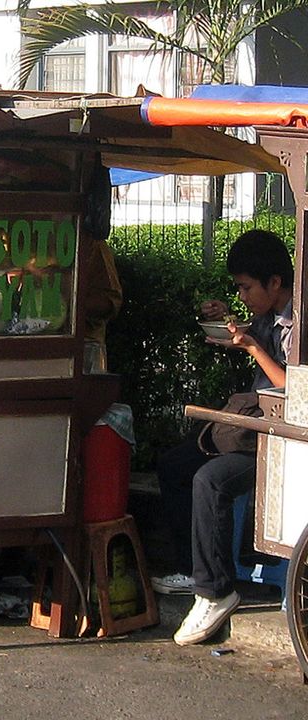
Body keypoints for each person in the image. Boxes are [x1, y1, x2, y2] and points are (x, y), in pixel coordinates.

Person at [152, 229, 294, 645]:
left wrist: (252, 348)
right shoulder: (270, 315)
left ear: (274, 282)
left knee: (210, 480)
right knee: (175, 465)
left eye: (247, 287)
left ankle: (216, 592)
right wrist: (228, 327)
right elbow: (254, 333)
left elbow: (291, 384)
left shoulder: (299, 321)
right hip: (253, 428)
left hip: (282, 438)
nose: (244, 295)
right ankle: (193, 571)